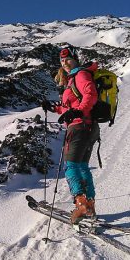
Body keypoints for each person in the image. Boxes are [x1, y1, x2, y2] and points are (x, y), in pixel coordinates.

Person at [42, 47, 100, 224]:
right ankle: (89, 205)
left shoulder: (80, 75)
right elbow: (70, 106)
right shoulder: (73, 79)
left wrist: (79, 112)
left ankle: (81, 206)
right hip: (88, 127)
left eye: (67, 59)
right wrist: (55, 107)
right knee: (82, 166)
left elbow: (91, 95)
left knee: (71, 167)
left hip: (79, 127)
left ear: (75, 59)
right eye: (61, 61)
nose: (64, 63)